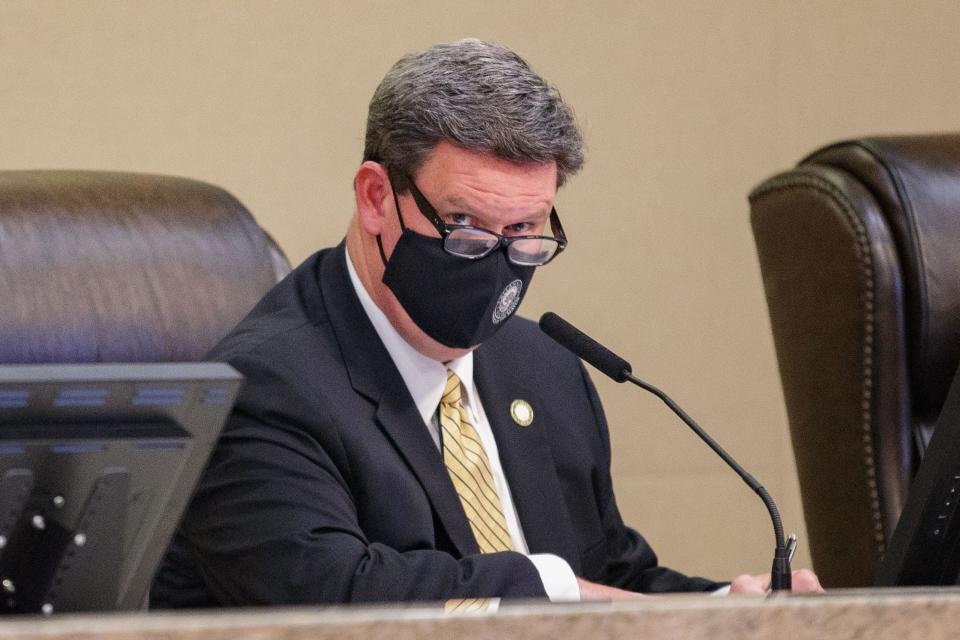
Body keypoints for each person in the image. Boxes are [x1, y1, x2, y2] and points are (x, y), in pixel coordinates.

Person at [151, 38, 820, 607]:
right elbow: (338, 597)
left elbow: (614, 576)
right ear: (377, 196)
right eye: (468, 228)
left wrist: (728, 612)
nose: (499, 263)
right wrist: (558, 593)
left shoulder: (543, 367)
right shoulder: (262, 388)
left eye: (527, 230)